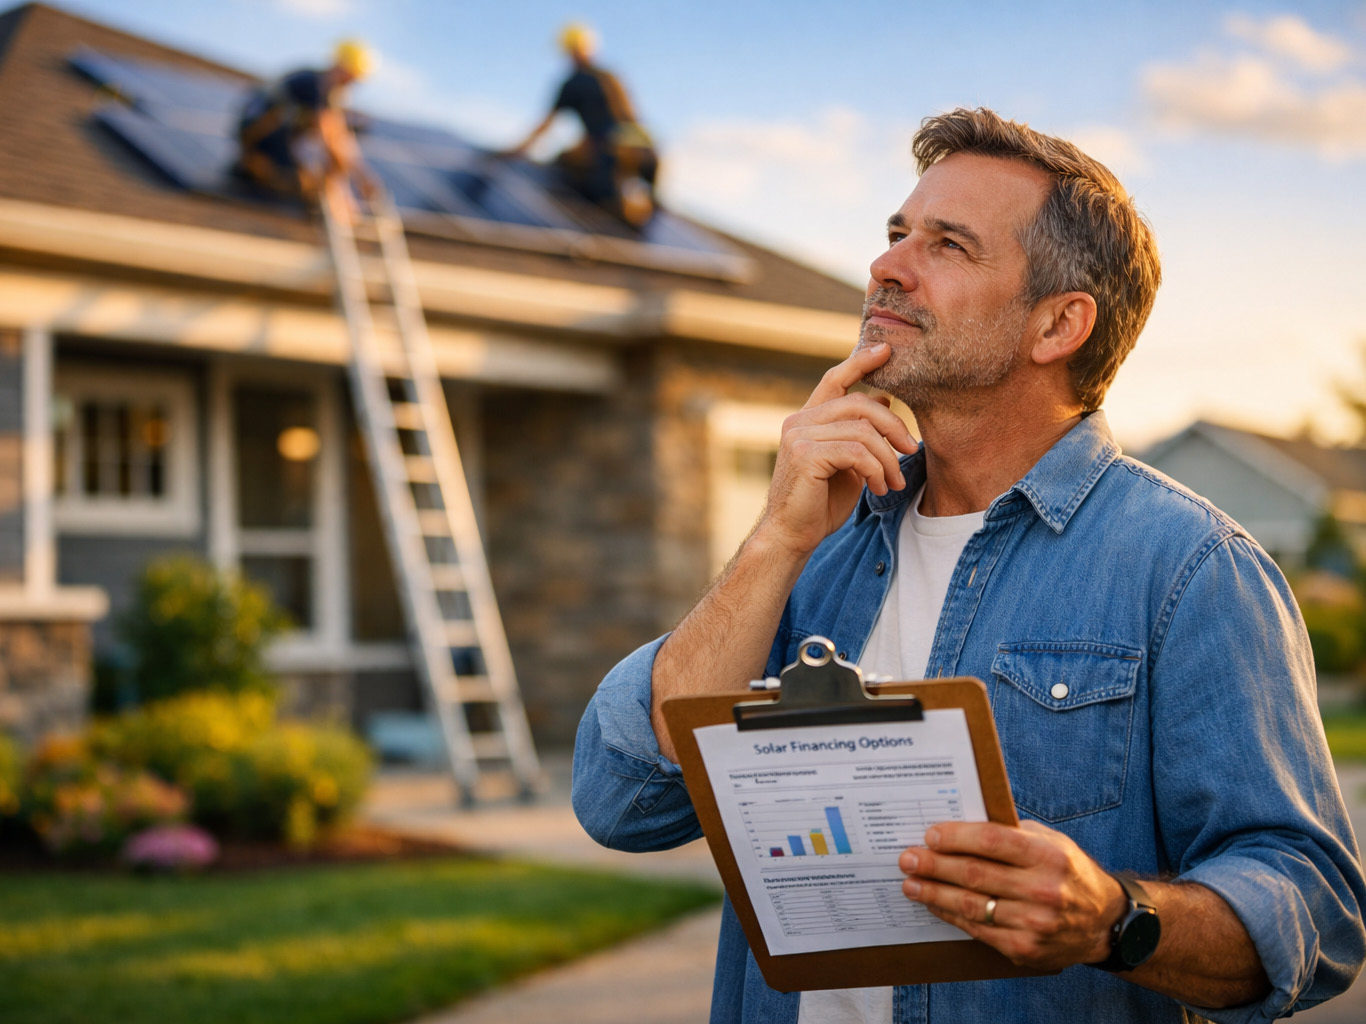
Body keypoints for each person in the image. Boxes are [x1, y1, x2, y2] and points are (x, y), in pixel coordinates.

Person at [571, 107, 1366, 1023]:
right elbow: (623, 801)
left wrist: (1114, 919)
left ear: (1058, 324)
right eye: (896, 233)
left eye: (947, 244)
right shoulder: (819, 540)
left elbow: (1316, 907)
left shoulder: (1191, 569)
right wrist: (774, 542)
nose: (886, 266)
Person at [503, 23, 659, 228]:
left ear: (569, 51)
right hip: (646, 150)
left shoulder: (573, 83)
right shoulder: (611, 77)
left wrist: (513, 152)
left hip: (611, 155)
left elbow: (545, 126)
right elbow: (631, 120)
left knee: (568, 173)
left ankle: (624, 209)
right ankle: (640, 210)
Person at [235, 39, 377, 207]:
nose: (351, 83)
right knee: (304, 184)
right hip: (262, 142)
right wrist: (345, 183)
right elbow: (329, 137)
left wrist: (356, 176)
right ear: (341, 66)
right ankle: (258, 168)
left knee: (310, 182)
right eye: (351, 76)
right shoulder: (314, 85)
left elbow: (339, 135)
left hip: (274, 141)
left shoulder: (324, 90)